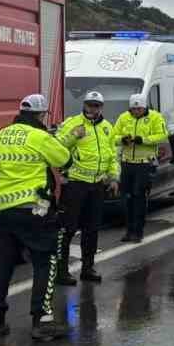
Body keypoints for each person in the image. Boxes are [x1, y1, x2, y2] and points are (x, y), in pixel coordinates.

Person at [0, 94, 72, 342]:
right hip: (35, 210)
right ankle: (41, 320)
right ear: (41, 115)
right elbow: (66, 159)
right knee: (46, 261)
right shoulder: (40, 137)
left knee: (2, 266)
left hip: (4, 213)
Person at [53, 91, 120, 283]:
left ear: (101, 107)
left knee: (92, 229)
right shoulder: (73, 123)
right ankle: (61, 271)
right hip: (75, 184)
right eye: (90, 105)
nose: (93, 108)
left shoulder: (108, 127)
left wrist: (114, 177)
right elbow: (56, 147)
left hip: (97, 185)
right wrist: (74, 136)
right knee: (68, 228)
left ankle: (88, 268)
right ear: (84, 105)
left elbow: (112, 155)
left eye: (96, 105)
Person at [114, 92, 168, 242]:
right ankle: (129, 230)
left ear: (145, 108)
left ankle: (138, 231)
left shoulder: (155, 117)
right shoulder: (123, 117)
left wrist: (143, 140)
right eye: (134, 109)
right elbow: (113, 136)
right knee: (127, 198)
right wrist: (122, 140)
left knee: (139, 197)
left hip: (144, 164)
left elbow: (162, 135)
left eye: (140, 109)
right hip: (126, 163)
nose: (136, 112)